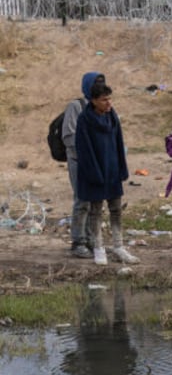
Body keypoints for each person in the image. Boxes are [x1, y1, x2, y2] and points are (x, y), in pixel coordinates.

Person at [73, 82, 139, 266]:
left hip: (112, 170)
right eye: (104, 100)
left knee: (116, 209)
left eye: (110, 99)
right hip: (94, 172)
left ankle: (119, 246)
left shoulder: (112, 115)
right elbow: (84, 150)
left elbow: (119, 142)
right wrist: (95, 175)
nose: (108, 103)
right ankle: (99, 248)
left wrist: (122, 169)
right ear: (93, 101)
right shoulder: (85, 120)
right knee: (95, 211)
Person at [63, 72, 104, 259]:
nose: (100, 86)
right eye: (96, 83)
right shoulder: (75, 106)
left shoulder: (103, 107)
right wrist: (87, 155)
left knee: (95, 201)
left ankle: (91, 239)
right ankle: (78, 241)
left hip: (97, 163)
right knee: (82, 200)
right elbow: (69, 137)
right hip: (79, 162)